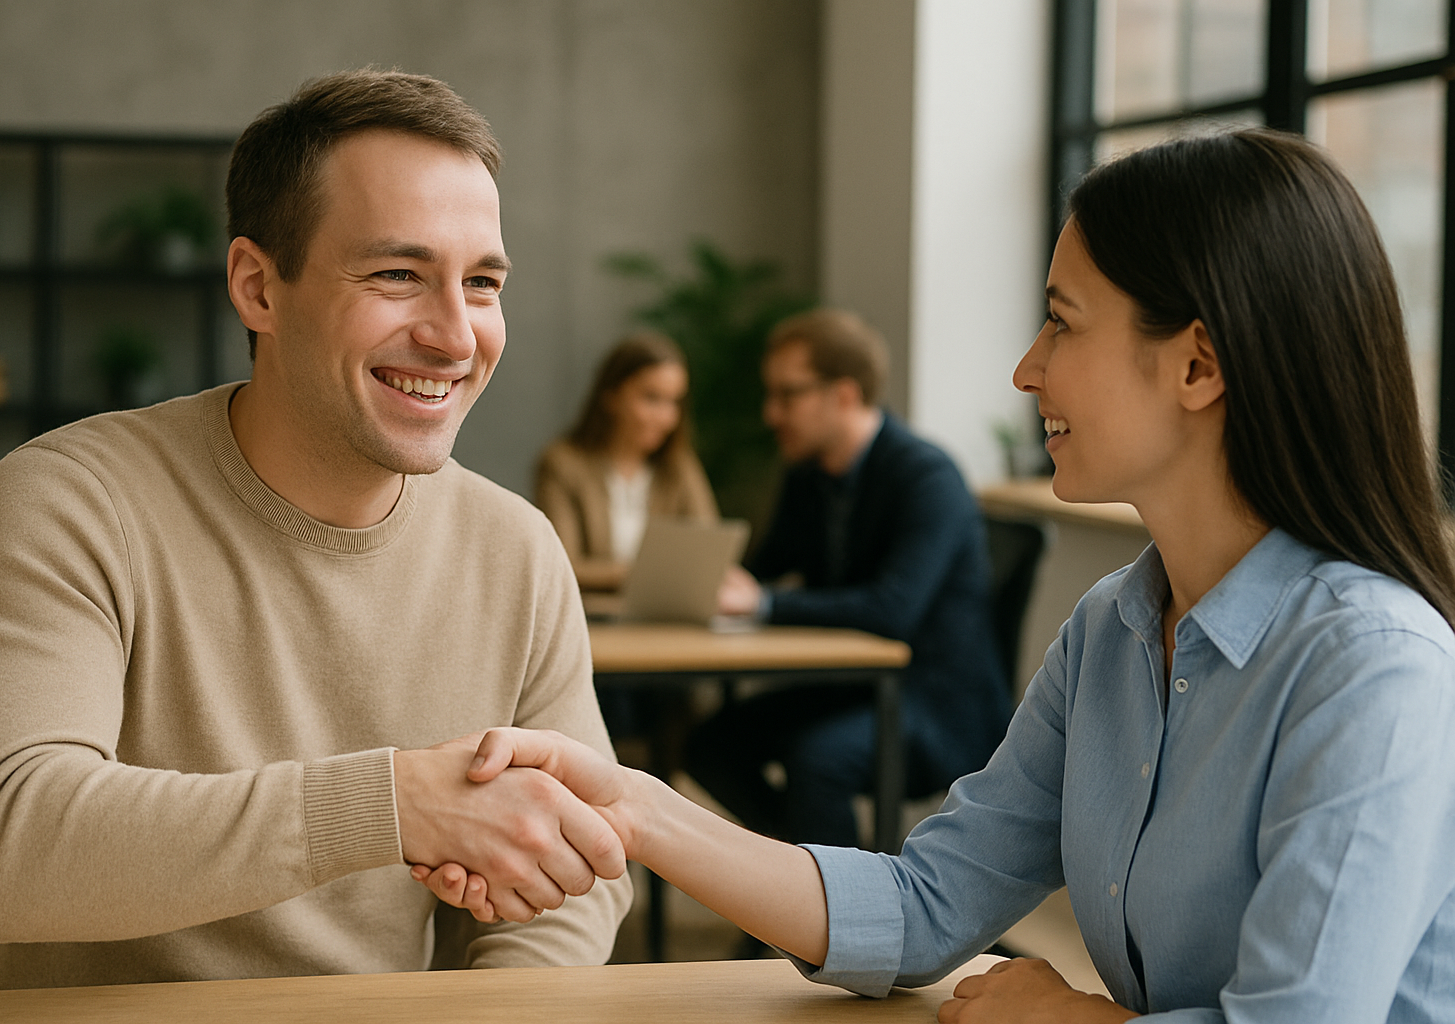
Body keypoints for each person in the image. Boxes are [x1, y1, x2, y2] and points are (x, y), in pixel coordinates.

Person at [425, 127, 1455, 1022]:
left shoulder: (1373, 665)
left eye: (1063, 319)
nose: (1026, 368)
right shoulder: (1115, 629)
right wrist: (635, 807)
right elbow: (923, 909)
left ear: (1197, 364)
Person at [0, 69, 631, 990]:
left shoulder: (518, 551)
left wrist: (498, 1006)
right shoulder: (71, 499)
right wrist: (392, 804)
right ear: (258, 287)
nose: (457, 336)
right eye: (398, 274)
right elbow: (2, 851)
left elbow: (579, 866)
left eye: (484, 283)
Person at [688, 308, 1012, 848]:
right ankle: (804, 879)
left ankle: (847, 921)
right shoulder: (810, 477)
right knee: (711, 746)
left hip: (935, 704)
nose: (772, 414)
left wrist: (764, 604)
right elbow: (760, 570)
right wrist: (703, 581)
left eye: (787, 395)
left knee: (817, 760)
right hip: (851, 688)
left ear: (843, 394)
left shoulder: (927, 476)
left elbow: (892, 610)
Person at [534, 332, 718, 592]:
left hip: (666, 616)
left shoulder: (678, 467)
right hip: (592, 617)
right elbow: (562, 563)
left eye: (674, 402)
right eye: (651, 398)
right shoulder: (562, 464)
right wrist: (649, 575)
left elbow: (709, 551)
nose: (666, 418)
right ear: (610, 396)